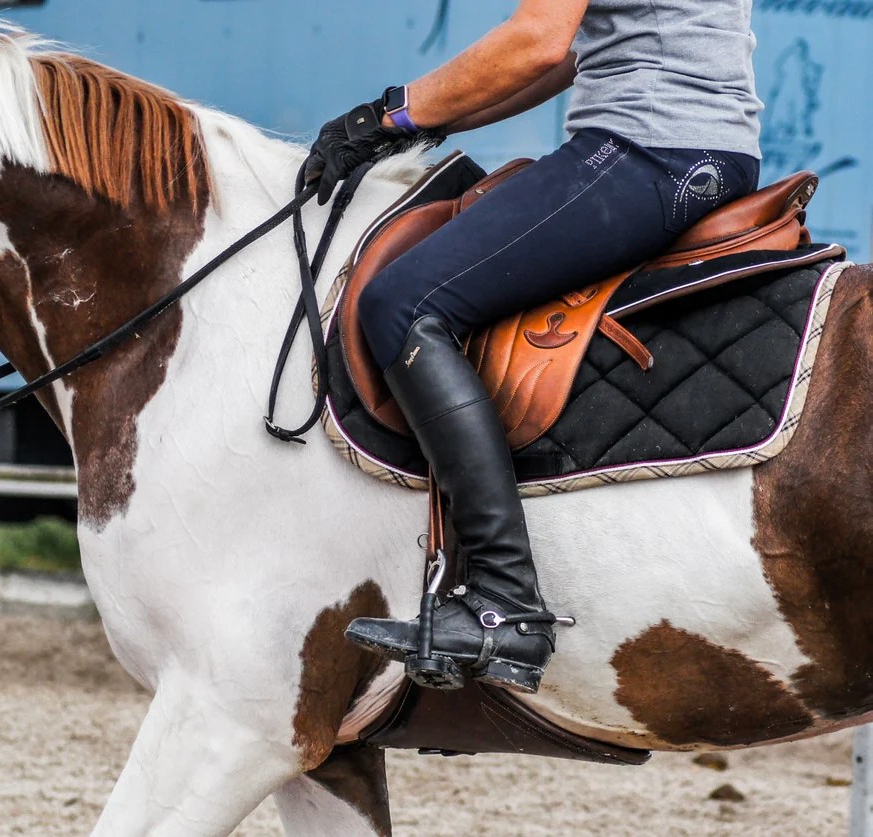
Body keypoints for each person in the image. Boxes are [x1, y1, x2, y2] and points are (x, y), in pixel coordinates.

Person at [306, 0, 763, 693]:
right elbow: (568, 56)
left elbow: (538, 42)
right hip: (705, 148)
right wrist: (421, 121)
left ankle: (503, 599)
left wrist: (390, 113)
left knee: (404, 305)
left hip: (646, 148)